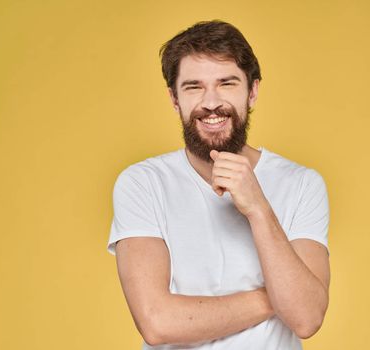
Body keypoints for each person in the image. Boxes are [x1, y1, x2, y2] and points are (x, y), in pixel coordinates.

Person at [107, 20, 331, 350]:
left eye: (226, 83)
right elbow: (156, 322)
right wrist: (272, 299)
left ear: (252, 91)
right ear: (174, 98)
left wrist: (258, 207)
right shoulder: (142, 184)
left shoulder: (301, 184)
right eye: (194, 87)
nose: (211, 102)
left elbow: (307, 317)